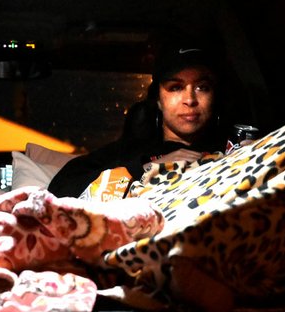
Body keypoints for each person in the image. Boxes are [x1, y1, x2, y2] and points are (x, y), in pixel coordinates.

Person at [48, 46, 226, 198]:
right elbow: (60, 191)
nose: (190, 99)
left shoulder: (231, 149)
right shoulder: (128, 153)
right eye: (176, 87)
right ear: (158, 99)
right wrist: (146, 168)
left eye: (202, 87)